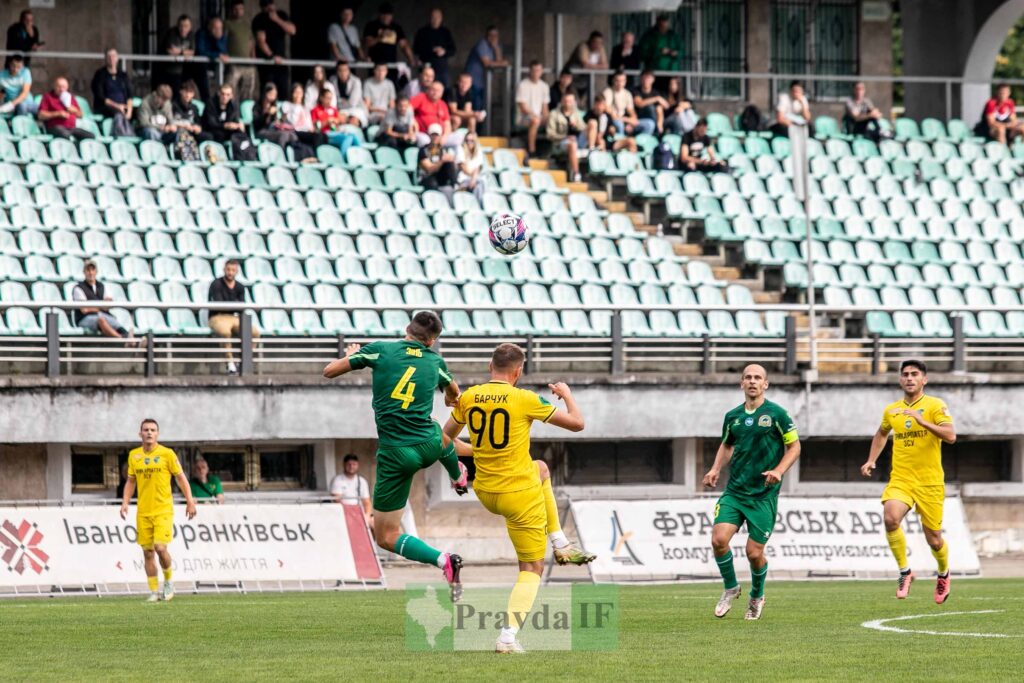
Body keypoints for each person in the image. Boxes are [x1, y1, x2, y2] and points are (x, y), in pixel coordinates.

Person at [441, 343, 594, 653]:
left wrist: (475, 450)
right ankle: (507, 637)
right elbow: (577, 424)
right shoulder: (524, 399)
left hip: (485, 491)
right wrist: (566, 395)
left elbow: (445, 438)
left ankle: (561, 543)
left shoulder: (469, 396)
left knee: (540, 467)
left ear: (489, 367)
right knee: (532, 569)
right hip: (518, 495)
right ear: (518, 372)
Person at [322, 311, 467, 601]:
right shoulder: (435, 361)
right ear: (433, 341)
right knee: (438, 429)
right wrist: (450, 396)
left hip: (395, 454)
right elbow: (454, 394)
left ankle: (442, 560)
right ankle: (457, 475)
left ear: (406, 329)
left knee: (386, 537)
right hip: (428, 446)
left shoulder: (380, 350)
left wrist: (354, 354)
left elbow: (329, 371)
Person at [702, 364, 801, 621]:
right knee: (718, 539)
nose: (753, 381)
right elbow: (726, 445)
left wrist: (778, 470)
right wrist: (714, 469)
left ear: (765, 384)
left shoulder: (777, 414)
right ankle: (731, 587)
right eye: (748, 377)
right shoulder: (732, 416)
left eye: (758, 378)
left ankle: (757, 595)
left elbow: (794, 447)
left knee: (753, 553)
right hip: (735, 492)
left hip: (763, 495)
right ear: (741, 383)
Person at [860, 360, 956, 604]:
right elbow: (881, 433)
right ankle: (905, 572)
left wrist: (923, 422)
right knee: (890, 517)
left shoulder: (936, 405)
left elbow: (951, 436)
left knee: (933, 538)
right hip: (901, 478)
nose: (909, 378)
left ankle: (943, 573)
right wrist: (871, 459)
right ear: (900, 380)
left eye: (914, 374)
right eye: (905, 374)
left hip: (930, 482)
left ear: (924, 380)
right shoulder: (892, 410)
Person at [119, 419, 198, 602]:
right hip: (143, 511)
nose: (149, 433)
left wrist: (190, 501)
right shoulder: (134, 456)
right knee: (147, 553)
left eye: (153, 430)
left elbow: (181, 478)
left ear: (157, 434)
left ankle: (169, 581)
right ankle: (154, 591)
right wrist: (125, 503)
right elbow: (131, 481)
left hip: (163, 509)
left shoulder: (167, 454)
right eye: (146, 430)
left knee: (160, 547)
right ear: (140, 434)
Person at [208, 259, 260, 374]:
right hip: (218, 316)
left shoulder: (240, 287)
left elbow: (241, 306)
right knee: (225, 332)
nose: (230, 273)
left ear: (237, 272)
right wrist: (234, 304)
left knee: (254, 332)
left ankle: (245, 360)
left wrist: (232, 306)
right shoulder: (216, 284)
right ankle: (230, 362)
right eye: (228, 270)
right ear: (224, 270)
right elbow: (219, 304)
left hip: (233, 317)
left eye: (233, 270)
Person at [72, 260, 133, 341]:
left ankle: (130, 340)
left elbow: (107, 305)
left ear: (96, 271)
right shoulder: (78, 288)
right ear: (84, 272)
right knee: (102, 320)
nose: (90, 273)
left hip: (101, 315)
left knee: (113, 321)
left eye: (92, 270)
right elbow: (84, 310)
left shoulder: (101, 286)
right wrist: (101, 306)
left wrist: (99, 306)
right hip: (84, 318)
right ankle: (122, 340)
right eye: (88, 270)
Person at [363, 3, 414, 86]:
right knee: (374, 86)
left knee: (391, 86)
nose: (386, 17)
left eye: (388, 15)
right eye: (384, 15)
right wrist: (380, 37)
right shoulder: (372, 25)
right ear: (379, 15)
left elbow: (404, 45)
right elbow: (368, 43)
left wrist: (411, 59)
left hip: (391, 64)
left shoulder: (396, 27)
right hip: (375, 64)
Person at [253, 0, 296, 96]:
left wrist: (277, 19)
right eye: (266, 5)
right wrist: (272, 56)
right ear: (262, 7)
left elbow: (292, 31)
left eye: (271, 4)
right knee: (268, 90)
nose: (269, 7)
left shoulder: (281, 15)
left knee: (283, 90)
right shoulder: (259, 19)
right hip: (267, 62)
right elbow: (261, 41)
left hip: (282, 61)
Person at [90, 48, 134, 135]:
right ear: (105, 58)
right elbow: (100, 96)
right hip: (106, 107)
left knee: (138, 114)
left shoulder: (123, 75)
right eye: (109, 56)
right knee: (118, 113)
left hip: (123, 107)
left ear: (117, 58)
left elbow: (130, 95)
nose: (111, 58)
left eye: (113, 56)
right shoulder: (100, 74)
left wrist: (129, 111)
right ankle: (122, 135)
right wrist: (117, 106)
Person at [546, 90, 586, 182]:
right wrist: (564, 137)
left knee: (592, 125)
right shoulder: (554, 114)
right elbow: (550, 134)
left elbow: (583, 128)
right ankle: (576, 174)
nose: (568, 104)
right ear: (562, 101)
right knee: (572, 144)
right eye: (566, 101)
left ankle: (591, 148)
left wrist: (575, 125)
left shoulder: (576, 113)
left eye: (570, 101)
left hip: (578, 141)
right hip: (559, 143)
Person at [203, 84, 251, 157]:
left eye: (228, 95)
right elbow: (210, 123)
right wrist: (225, 125)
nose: (225, 97)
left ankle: (244, 156)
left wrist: (238, 125)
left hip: (227, 131)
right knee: (216, 135)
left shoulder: (233, 105)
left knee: (241, 134)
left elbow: (235, 119)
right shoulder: (211, 103)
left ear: (231, 96)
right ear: (219, 93)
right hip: (213, 130)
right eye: (223, 94)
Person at [224, 0, 257, 103]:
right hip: (234, 63)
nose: (238, 11)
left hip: (247, 64)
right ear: (232, 10)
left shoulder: (246, 25)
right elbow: (223, 40)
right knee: (230, 90)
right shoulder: (227, 23)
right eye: (236, 9)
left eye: (241, 9)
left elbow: (251, 42)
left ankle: (245, 114)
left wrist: (253, 59)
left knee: (247, 92)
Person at [413, 8, 456, 88]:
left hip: (441, 69)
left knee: (443, 92)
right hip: (426, 67)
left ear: (441, 18)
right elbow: (416, 49)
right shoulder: (422, 32)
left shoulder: (445, 32)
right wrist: (431, 50)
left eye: (437, 17)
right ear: (430, 18)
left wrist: (444, 52)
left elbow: (453, 50)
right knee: (425, 91)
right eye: (433, 17)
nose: (435, 19)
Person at [515, 60, 548, 161]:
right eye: (534, 70)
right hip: (524, 118)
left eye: (538, 70)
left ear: (541, 71)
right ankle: (532, 151)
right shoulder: (523, 85)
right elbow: (523, 107)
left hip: (538, 117)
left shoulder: (544, 86)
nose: (536, 73)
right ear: (530, 71)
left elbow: (545, 107)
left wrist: (546, 118)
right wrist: (536, 116)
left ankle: (549, 151)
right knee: (535, 120)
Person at [311, 88, 360, 155]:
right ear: (321, 98)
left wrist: (336, 122)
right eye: (327, 98)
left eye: (330, 98)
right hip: (324, 134)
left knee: (353, 136)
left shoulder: (333, 109)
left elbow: (338, 124)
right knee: (348, 138)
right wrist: (327, 121)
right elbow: (315, 128)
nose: (329, 101)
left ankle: (360, 157)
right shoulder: (315, 110)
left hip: (335, 132)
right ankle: (343, 159)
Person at [639, 15, 683, 90]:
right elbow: (642, 53)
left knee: (670, 90)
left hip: (671, 71)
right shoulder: (649, 36)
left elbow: (680, 52)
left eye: (665, 26)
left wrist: (670, 52)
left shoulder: (673, 36)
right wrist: (657, 53)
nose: (664, 28)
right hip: (653, 71)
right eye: (661, 26)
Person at [156, 15, 197, 93]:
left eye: (186, 26)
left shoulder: (191, 35)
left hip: (183, 70)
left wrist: (179, 52)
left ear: (190, 27)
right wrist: (184, 52)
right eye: (181, 26)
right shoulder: (172, 33)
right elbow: (170, 51)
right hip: (166, 69)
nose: (183, 29)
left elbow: (192, 52)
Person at [411, 81, 458, 147]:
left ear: (442, 93)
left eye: (438, 90)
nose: (435, 92)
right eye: (433, 89)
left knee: (459, 140)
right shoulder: (421, 97)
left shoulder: (443, 104)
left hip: (440, 136)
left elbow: (447, 123)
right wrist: (412, 120)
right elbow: (408, 108)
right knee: (425, 141)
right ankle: (427, 156)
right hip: (424, 133)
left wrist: (445, 136)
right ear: (428, 90)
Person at [329, 454, 372, 525]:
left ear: (358, 465)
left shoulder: (362, 481)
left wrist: (367, 515)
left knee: (374, 523)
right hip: (343, 513)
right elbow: (337, 501)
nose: (351, 466)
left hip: (359, 512)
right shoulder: (337, 480)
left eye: (354, 464)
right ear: (344, 465)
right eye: (349, 464)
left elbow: (366, 502)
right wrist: (352, 514)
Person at [564, 30, 608, 99]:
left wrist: (591, 66)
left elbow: (605, 66)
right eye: (595, 42)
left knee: (590, 95)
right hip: (574, 78)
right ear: (590, 41)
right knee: (572, 97)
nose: (597, 45)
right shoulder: (583, 46)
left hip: (587, 79)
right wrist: (599, 66)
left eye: (600, 43)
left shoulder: (600, 48)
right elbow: (585, 64)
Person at [602, 69, 647, 136]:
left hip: (624, 120)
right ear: (613, 80)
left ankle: (641, 142)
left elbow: (632, 112)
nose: (620, 83)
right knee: (619, 124)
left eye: (622, 80)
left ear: (625, 81)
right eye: (617, 80)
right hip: (612, 121)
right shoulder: (607, 92)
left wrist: (630, 123)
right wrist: (628, 120)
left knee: (649, 124)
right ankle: (622, 142)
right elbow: (611, 114)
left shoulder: (627, 93)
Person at [281, 83, 326, 148]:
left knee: (323, 136)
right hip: (295, 131)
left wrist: (311, 129)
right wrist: (296, 105)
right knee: (316, 137)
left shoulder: (305, 108)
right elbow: (292, 121)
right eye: (296, 92)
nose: (298, 95)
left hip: (306, 131)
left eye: (300, 93)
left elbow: (309, 123)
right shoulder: (286, 105)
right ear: (292, 93)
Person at [195, 16, 228, 102]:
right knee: (205, 93)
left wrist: (218, 39)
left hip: (216, 68)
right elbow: (200, 51)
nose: (218, 30)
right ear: (210, 27)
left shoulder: (221, 36)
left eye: (220, 28)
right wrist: (216, 55)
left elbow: (223, 52)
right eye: (215, 27)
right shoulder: (202, 34)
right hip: (200, 68)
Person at [465, 26, 508, 93]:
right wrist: (502, 63)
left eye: (495, 35)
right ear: (486, 36)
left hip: (482, 81)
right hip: (472, 81)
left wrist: (496, 48)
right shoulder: (482, 44)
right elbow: (487, 63)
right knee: (476, 102)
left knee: (482, 102)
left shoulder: (496, 46)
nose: (493, 37)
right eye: (491, 35)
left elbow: (498, 61)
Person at [418, 123, 458, 194]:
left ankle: (455, 185)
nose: (435, 137)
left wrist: (450, 159)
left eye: (437, 135)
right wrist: (441, 161)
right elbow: (429, 169)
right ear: (429, 135)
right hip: (426, 177)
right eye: (433, 134)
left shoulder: (443, 150)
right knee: (433, 184)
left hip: (438, 176)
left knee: (449, 162)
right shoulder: (423, 150)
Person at [170, 80, 204, 158]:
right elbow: (170, 122)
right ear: (181, 91)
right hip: (178, 133)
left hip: (191, 133)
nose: (188, 95)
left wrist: (197, 127)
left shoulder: (194, 108)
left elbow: (198, 123)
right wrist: (184, 126)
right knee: (183, 135)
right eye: (186, 92)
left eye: (190, 92)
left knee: (207, 136)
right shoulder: (173, 105)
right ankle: (183, 157)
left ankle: (200, 158)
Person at [331, 60, 368, 127]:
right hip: (340, 111)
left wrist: (340, 101)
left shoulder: (356, 81)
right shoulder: (333, 80)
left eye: (345, 70)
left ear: (349, 71)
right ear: (337, 71)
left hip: (356, 110)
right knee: (336, 120)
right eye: (340, 70)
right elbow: (334, 100)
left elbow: (352, 103)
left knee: (353, 121)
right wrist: (341, 103)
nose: (343, 73)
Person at [633, 69, 668, 135]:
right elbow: (639, 104)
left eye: (648, 78)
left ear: (653, 79)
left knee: (658, 108)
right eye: (644, 78)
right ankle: (657, 131)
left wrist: (659, 124)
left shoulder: (655, 92)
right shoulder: (636, 90)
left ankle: (658, 129)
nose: (646, 80)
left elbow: (665, 106)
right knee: (650, 108)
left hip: (654, 121)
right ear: (641, 79)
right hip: (639, 119)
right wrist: (657, 99)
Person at [455, 131, 486, 199]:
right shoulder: (460, 149)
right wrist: (473, 178)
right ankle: (479, 207)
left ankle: (477, 206)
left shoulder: (478, 150)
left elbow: (477, 168)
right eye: (467, 140)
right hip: (464, 179)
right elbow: (463, 168)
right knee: (479, 184)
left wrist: (474, 179)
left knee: (478, 186)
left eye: (472, 140)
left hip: (475, 179)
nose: (469, 142)